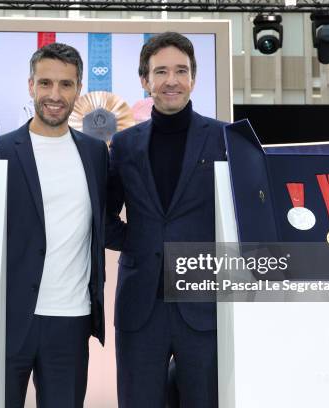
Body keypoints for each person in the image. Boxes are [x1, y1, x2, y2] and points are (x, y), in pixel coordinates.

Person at [106, 32, 226, 408]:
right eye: (161, 72)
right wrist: (141, 242)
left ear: (194, 77)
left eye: (180, 70)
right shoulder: (124, 145)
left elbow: (240, 216)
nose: (171, 80)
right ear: (145, 80)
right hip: (141, 307)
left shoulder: (225, 138)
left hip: (204, 306)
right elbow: (105, 216)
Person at [0, 42, 107, 408]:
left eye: (65, 84)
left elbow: (107, 220)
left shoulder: (95, 153)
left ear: (78, 89)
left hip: (71, 322)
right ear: (31, 86)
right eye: (45, 83)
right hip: (9, 318)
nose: (54, 95)